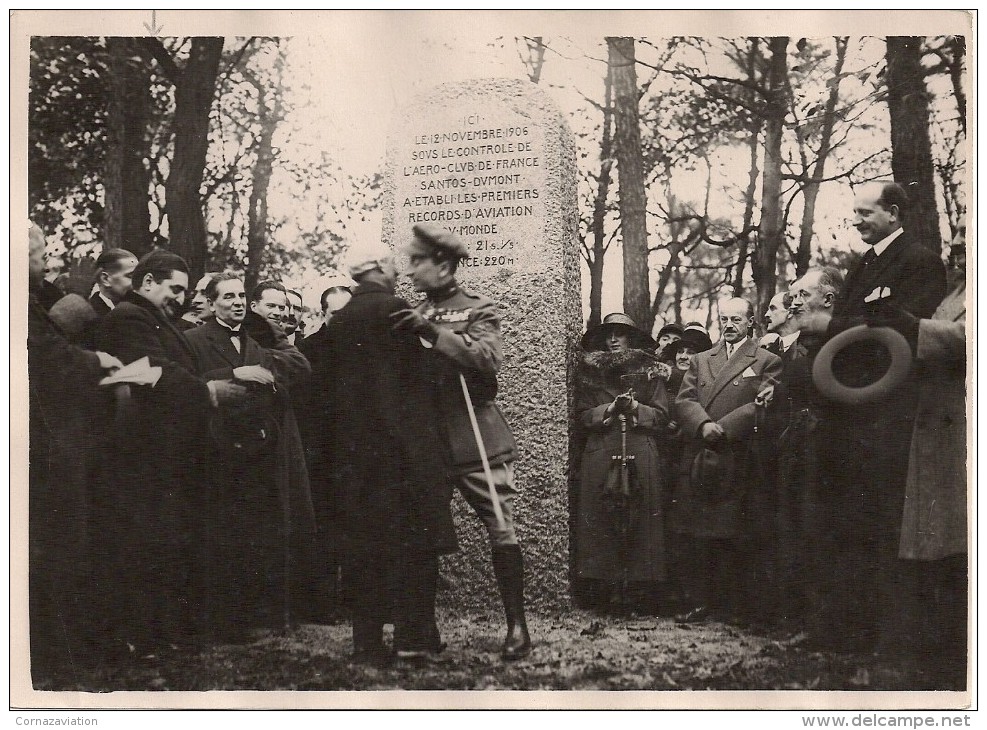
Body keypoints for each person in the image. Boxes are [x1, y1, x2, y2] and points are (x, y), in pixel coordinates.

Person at [93, 250, 246, 657]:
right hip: (143, 453)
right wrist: (208, 391)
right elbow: (151, 369)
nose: (180, 297)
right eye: (174, 288)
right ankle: (143, 636)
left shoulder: (157, 319)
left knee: (167, 541)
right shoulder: (130, 318)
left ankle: (162, 632)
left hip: (168, 453)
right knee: (145, 543)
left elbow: (176, 370)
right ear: (147, 283)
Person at [390, 223, 531, 660]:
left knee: (500, 528)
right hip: (426, 442)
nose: (409, 272)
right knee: (420, 530)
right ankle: (421, 630)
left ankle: (517, 627)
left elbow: (489, 358)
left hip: (474, 437)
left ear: (445, 266)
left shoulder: (478, 308)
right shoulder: (410, 313)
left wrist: (433, 335)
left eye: (417, 262)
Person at [825, 180, 947, 656]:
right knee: (851, 523)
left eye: (865, 213)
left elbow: (903, 331)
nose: (856, 221)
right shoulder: (865, 263)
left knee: (883, 523)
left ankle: (888, 639)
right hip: (851, 409)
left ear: (894, 213)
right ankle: (848, 632)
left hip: (889, 412)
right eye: (854, 214)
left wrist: (830, 328)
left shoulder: (919, 261)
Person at [326, 247, 456, 663]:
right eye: (393, 265)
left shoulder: (341, 317)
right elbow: (420, 375)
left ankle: (366, 642)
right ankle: (413, 637)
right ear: (379, 270)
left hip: (354, 456)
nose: (400, 270)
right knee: (415, 547)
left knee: (365, 550)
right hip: (402, 455)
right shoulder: (395, 310)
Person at [869, 227, 967, 686]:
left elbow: (968, 339)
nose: (961, 246)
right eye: (959, 238)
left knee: (957, 539)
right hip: (937, 420)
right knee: (937, 539)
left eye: (972, 237)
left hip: (964, 426)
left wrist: (909, 324)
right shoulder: (956, 292)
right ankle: (936, 651)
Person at [27, 222, 123, 681]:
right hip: (42, 441)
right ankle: (53, 659)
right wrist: (95, 361)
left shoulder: (33, 298)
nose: (46, 262)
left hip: (45, 436)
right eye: (40, 253)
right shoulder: (22, 301)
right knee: (56, 544)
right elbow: (42, 356)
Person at [183, 274, 293, 639]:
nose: (237, 303)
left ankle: (250, 615)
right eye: (228, 297)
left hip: (254, 451)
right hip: (213, 452)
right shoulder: (193, 340)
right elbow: (186, 384)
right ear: (211, 303)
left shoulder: (255, 344)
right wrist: (232, 372)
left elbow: (272, 389)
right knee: (219, 535)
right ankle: (218, 621)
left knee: (252, 534)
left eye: (242, 296)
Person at [673, 297, 782, 624]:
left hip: (738, 453)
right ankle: (701, 601)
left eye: (737, 319)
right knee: (699, 533)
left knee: (736, 532)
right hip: (701, 453)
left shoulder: (767, 360)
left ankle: (736, 606)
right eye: (725, 319)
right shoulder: (702, 359)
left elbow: (763, 402)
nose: (730, 325)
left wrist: (725, 427)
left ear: (750, 322)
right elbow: (684, 399)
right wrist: (703, 424)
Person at [573, 313, 670, 614]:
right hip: (601, 450)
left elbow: (663, 416)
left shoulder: (650, 373)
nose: (613, 339)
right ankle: (604, 590)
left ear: (632, 338)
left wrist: (637, 407)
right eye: (609, 334)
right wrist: (609, 409)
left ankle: (639, 591)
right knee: (601, 517)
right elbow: (582, 415)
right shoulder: (589, 374)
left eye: (621, 334)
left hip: (640, 448)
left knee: (641, 517)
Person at [243, 279, 318, 627]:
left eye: (284, 308)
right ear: (254, 304)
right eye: (271, 305)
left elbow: (298, 368)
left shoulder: (278, 340)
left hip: (280, 436)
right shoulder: (248, 334)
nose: (279, 312)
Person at [295, 282, 354, 621]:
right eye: (336, 314)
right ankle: (321, 604)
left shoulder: (367, 349)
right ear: (323, 314)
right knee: (326, 528)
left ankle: (357, 600)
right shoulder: (310, 350)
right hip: (324, 455)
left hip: (359, 453)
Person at [88, 248, 138, 316]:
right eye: (131, 276)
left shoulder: (138, 308)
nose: (139, 283)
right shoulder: (92, 315)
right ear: (105, 279)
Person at [759, 290, 800, 358]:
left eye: (773, 308)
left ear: (790, 312)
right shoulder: (768, 352)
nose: (766, 314)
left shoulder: (806, 347)